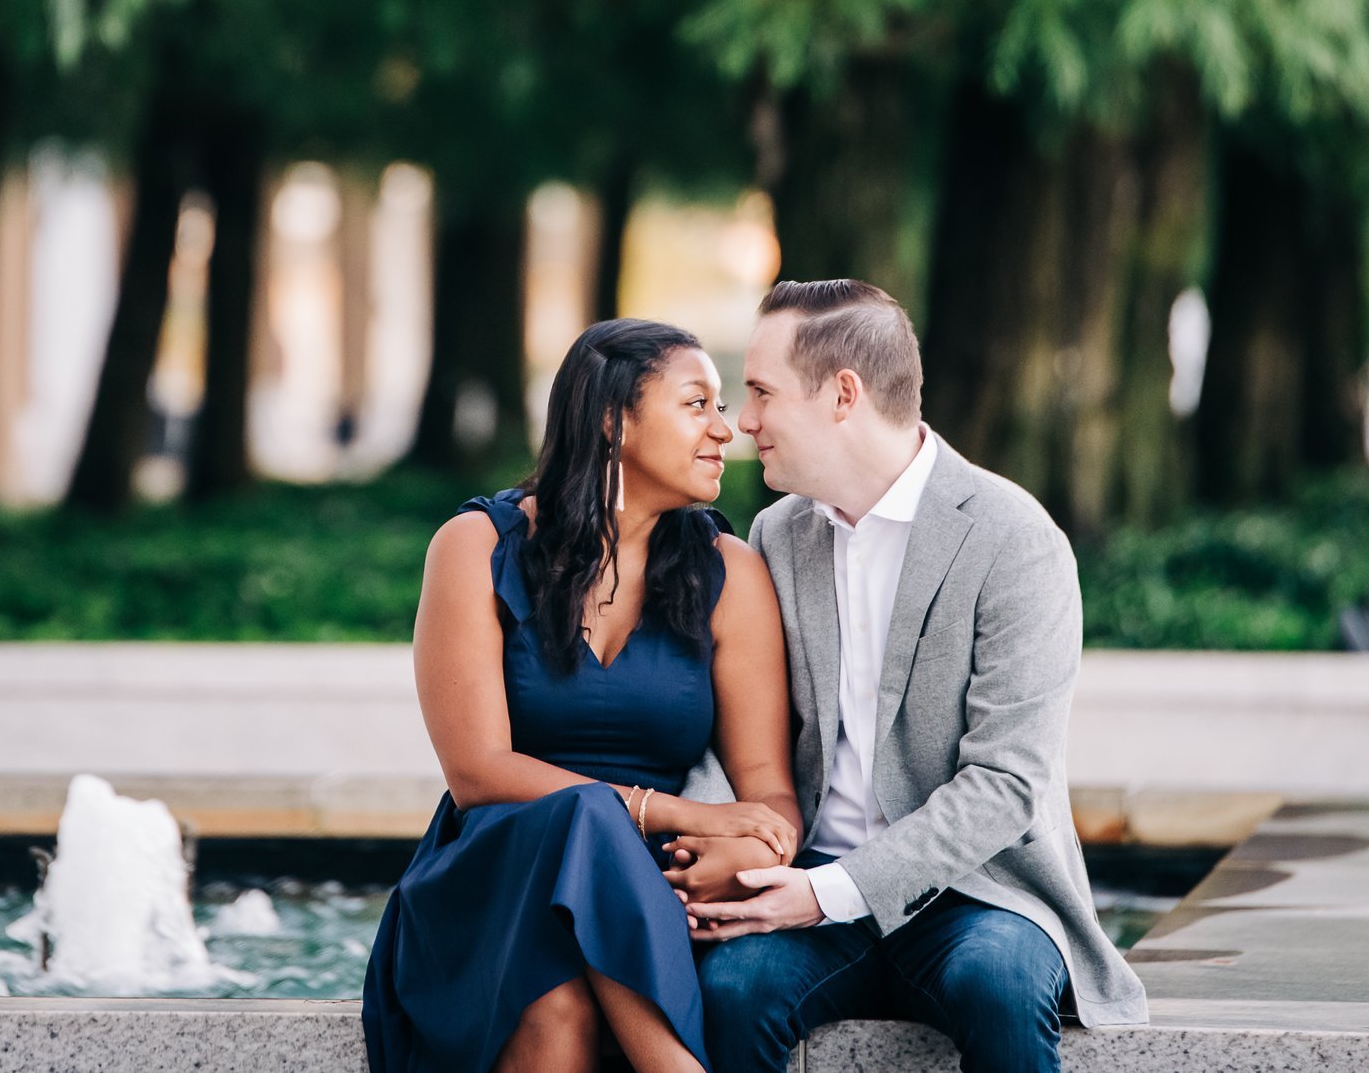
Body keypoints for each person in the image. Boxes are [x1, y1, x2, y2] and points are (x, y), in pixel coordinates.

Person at [673, 278, 1148, 1073]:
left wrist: (828, 892)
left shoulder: (1014, 540)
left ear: (842, 395)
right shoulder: (776, 534)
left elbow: (1005, 782)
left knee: (996, 982)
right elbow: (741, 729)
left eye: (760, 392)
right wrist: (737, 848)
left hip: (982, 892)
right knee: (730, 987)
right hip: (811, 883)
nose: (743, 422)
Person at [363, 318, 804, 1073]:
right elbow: (477, 772)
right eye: (697, 404)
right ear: (612, 418)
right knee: (583, 824)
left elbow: (769, 792)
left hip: (653, 888)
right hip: (496, 878)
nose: (725, 431)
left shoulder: (730, 572)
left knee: (558, 1007)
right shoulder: (475, 547)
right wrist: (668, 809)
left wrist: (756, 847)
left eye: (721, 407)